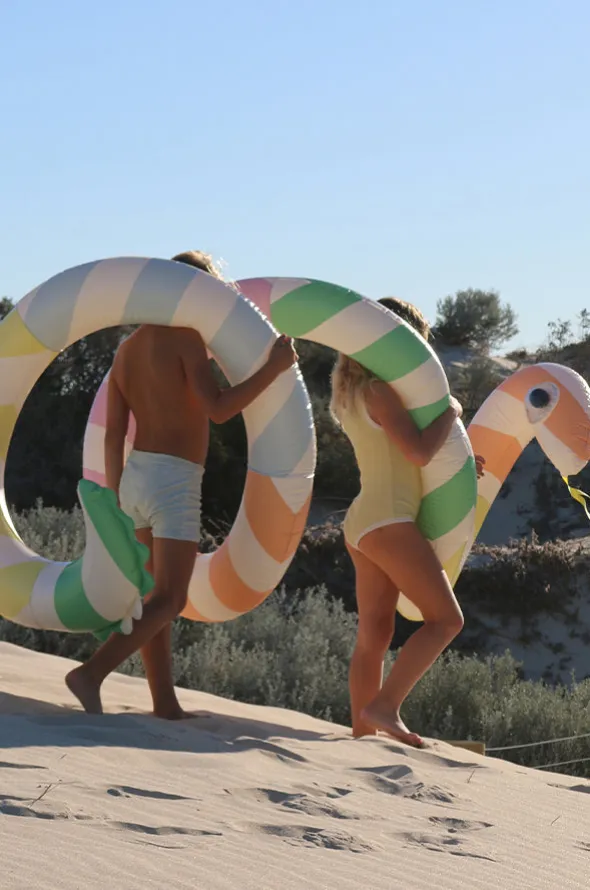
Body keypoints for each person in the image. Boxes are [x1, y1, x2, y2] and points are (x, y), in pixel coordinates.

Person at [66, 250, 297, 718]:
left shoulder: (127, 349)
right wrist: (273, 369)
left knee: (156, 598)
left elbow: (113, 433)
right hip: (174, 481)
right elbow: (219, 408)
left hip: (135, 476)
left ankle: (164, 701)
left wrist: (116, 495)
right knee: (172, 598)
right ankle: (90, 673)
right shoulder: (187, 339)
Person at [330, 297, 484, 747]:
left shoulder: (355, 392)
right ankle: (385, 708)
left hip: (365, 521)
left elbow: (400, 458)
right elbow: (417, 452)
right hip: (387, 521)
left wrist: (459, 467)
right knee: (446, 621)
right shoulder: (381, 391)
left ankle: (362, 736)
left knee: (374, 635)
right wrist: (452, 411)